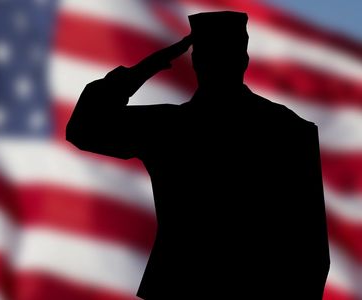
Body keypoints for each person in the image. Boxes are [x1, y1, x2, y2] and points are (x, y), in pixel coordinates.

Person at [66, 11, 330, 299]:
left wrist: (145, 68)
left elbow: (84, 127)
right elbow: (313, 252)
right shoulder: (290, 131)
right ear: (244, 59)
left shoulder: (169, 128)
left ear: (196, 62)